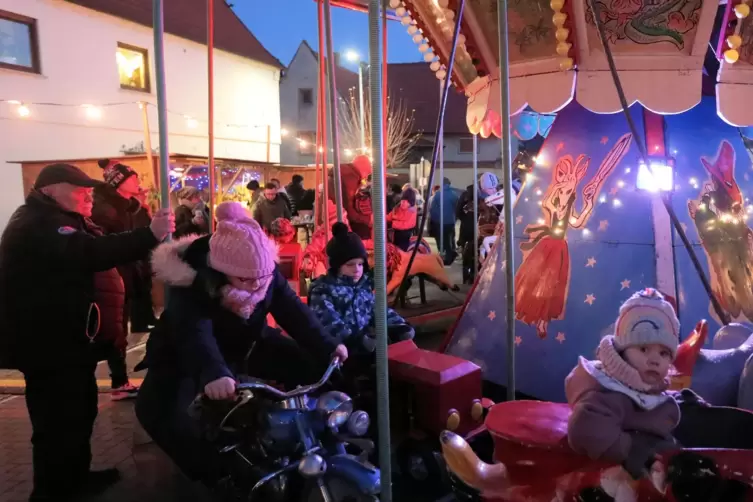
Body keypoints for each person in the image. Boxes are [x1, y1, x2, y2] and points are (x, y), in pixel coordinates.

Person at [135, 202, 347, 486]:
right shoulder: (192, 283)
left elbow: (296, 314)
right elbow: (194, 331)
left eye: (262, 277)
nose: (256, 284)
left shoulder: (264, 273)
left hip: (246, 343)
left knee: (312, 367)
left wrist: (327, 346)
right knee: (168, 414)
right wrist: (213, 371)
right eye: (246, 279)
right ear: (222, 270)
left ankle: (324, 437)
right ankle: (216, 477)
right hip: (183, 355)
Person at [0, 163, 174, 501]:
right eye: (79, 189)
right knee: (57, 422)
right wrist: (149, 234)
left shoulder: (55, 218)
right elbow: (91, 252)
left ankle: (75, 478)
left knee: (79, 412)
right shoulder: (39, 223)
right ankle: (52, 492)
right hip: (47, 344)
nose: (87, 194)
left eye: (88, 189)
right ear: (50, 189)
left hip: (66, 340)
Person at [566, 288, 681, 480]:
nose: (655, 360)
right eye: (644, 349)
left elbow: (657, 403)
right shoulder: (610, 393)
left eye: (664, 353)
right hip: (614, 479)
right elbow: (584, 428)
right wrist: (630, 448)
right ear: (623, 352)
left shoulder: (646, 388)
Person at [91, 159, 153, 400]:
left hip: (126, 274)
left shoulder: (127, 206)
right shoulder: (106, 210)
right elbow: (124, 241)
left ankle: (120, 380)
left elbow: (143, 235)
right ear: (119, 182)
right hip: (112, 276)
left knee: (119, 328)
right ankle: (118, 382)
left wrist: (143, 208)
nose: (138, 181)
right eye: (133, 178)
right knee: (115, 328)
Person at [308, 222, 414, 359]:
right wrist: (355, 340)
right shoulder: (323, 290)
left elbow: (379, 310)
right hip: (340, 354)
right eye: (350, 264)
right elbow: (328, 322)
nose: (357, 269)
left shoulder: (363, 286)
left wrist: (398, 324)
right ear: (337, 266)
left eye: (360, 264)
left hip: (366, 346)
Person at [428, 177, 459, 265]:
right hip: (451, 221)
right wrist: (455, 218)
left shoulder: (437, 195)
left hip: (440, 222)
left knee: (441, 240)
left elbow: (432, 209)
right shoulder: (454, 195)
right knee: (450, 238)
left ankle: (444, 257)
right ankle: (450, 254)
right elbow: (457, 208)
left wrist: (435, 219)